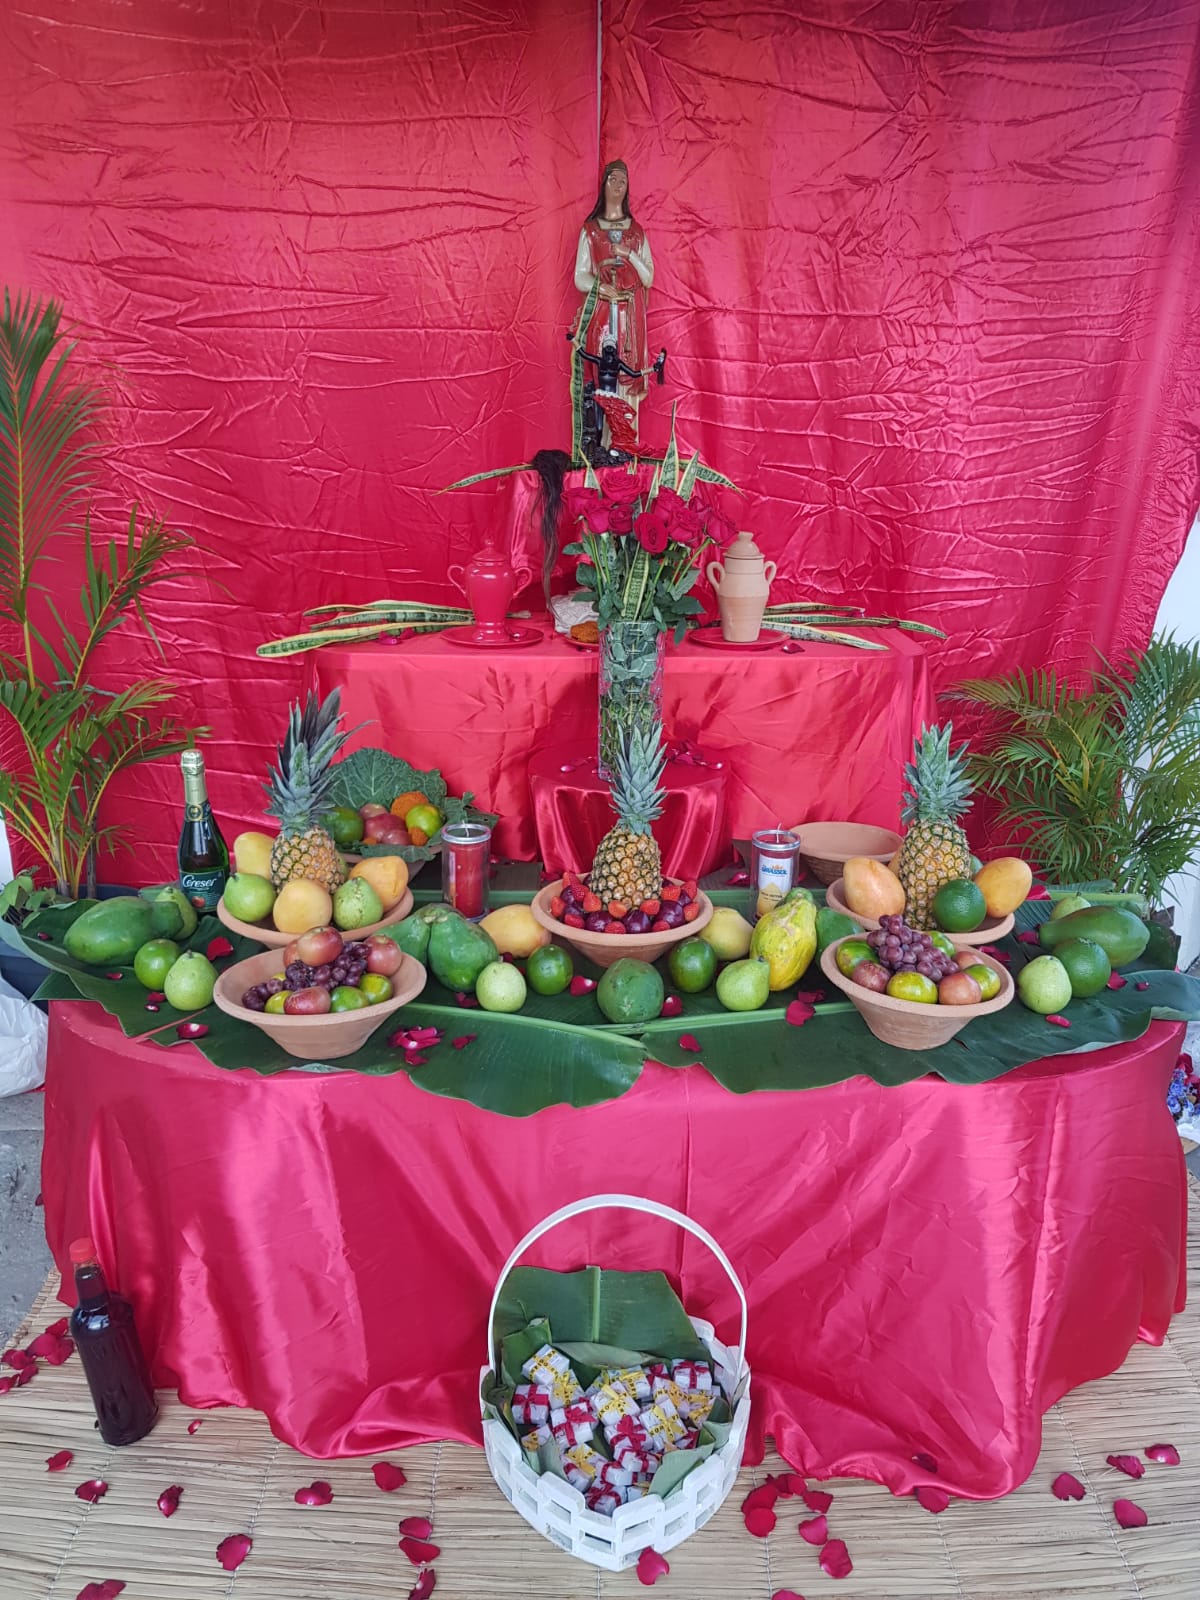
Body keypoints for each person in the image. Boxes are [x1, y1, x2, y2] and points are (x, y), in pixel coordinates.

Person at [573, 160, 654, 412]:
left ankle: (626, 431)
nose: (618, 185)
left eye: (623, 181)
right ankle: (603, 429)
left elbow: (648, 278)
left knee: (628, 375)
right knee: (602, 370)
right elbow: (580, 276)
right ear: (604, 184)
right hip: (603, 314)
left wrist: (629, 254)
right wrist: (600, 287)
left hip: (630, 317)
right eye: (613, 179)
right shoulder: (591, 231)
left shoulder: (636, 232)